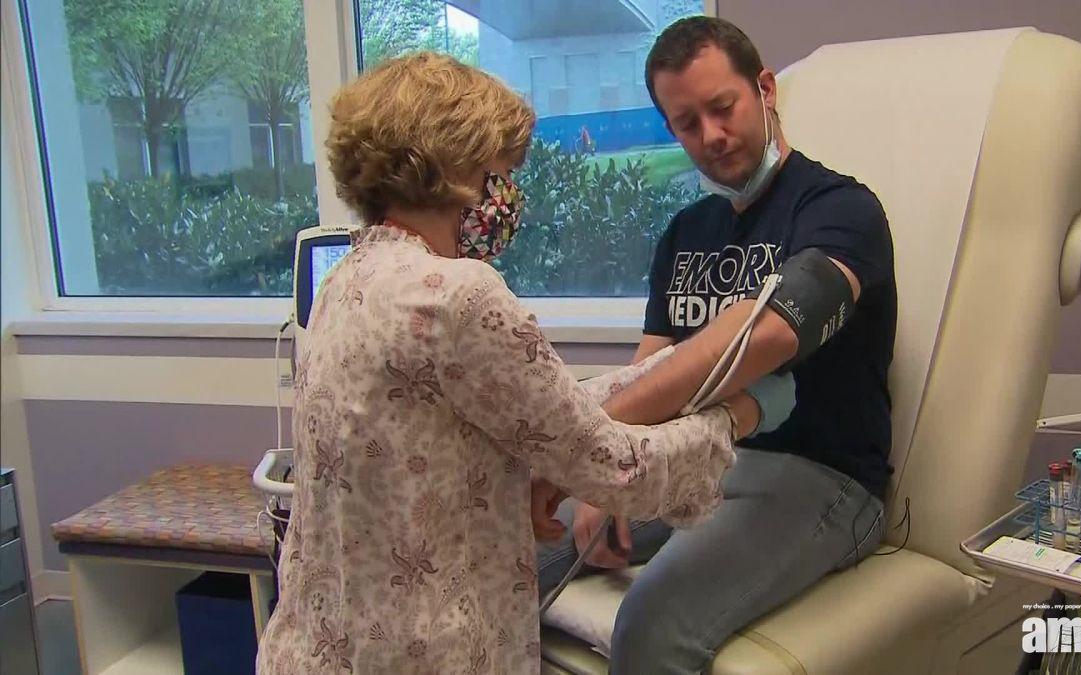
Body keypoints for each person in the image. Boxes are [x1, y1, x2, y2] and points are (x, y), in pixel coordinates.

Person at [254, 52, 781, 674]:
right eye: (501, 172)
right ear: (455, 165)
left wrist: (679, 366)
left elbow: (538, 403)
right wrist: (738, 414)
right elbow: (617, 468)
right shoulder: (456, 295)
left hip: (315, 647)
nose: (507, 195)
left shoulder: (345, 280)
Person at [536, 17, 897, 674]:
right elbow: (650, 369)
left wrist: (587, 447)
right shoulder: (685, 232)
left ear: (765, 89)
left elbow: (770, 334)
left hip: (822, 475)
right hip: (695, 461)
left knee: (650, 621)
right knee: (513, 553)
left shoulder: (840, 210)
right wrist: (603, 478)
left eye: (723, 107)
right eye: (687, 123)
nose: (711, 135)